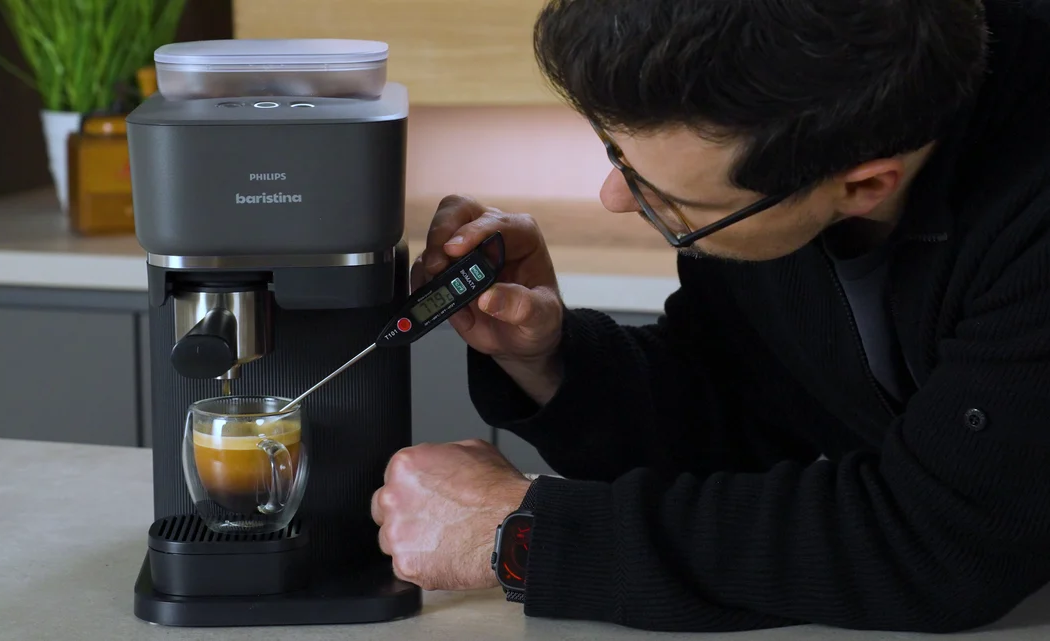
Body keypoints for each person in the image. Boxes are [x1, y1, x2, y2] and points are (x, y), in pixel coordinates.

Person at [370, 0, 1050, 633]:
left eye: (665, 197)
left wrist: (524, 532)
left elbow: (942, 546)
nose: (615, 197)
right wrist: (549, 358)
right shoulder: (779, 122)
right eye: (618, 155)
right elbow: (736, 405)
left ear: (863, 186)